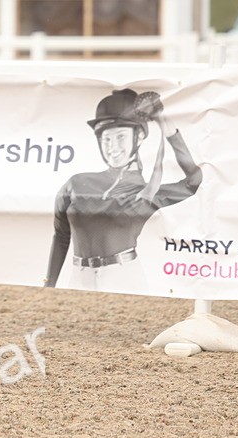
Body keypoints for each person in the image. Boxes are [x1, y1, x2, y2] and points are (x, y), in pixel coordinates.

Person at [44, 89, 202, 291]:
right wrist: (49, 285)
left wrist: (166, 126)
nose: (112, 147)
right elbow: (61, 235)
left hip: (124, 275)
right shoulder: (76, 183)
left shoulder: (148, 192)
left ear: (138, 138)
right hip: (79, 278)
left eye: (120, 137)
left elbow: (193, 181)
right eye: (106, 139)